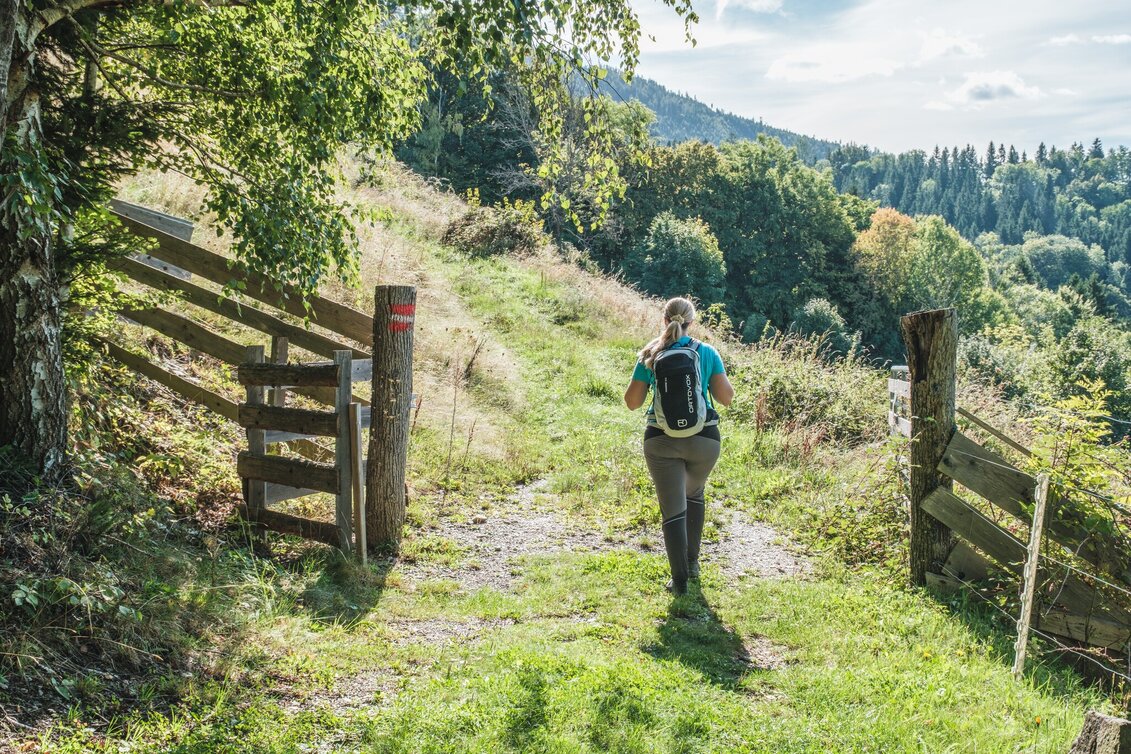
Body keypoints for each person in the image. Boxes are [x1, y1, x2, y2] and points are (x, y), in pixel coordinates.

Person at [624, 297, 734, 595]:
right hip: (704, 440)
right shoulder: (707, 352)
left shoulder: (651, 352)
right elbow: (726, 398)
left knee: (672, 506)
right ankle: (693, 562)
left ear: (664, 320)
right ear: (691, 322)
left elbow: (632, 403)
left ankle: (680, 580)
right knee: (694, 492)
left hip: (661, 440)